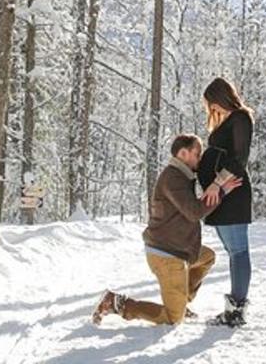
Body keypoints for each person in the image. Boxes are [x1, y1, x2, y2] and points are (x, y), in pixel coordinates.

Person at [92, 133, 241, 326]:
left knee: (207, 257)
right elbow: (194, 212)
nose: (200, 157)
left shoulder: (182, 176)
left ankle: (180, 299)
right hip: (167, 254)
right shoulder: (173, 178)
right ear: (183, 153)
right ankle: (116, 303)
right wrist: (220, 190)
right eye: (197, 153)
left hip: (180, 248)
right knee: (173, 318)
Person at [197, 77, 254, 328]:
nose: (212, 111)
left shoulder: (241, 118)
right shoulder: (228, 122)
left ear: (221, 98)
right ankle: (233, 310)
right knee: (233, 252)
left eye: (212, 105)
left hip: (233, 192)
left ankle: (236, 311)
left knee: (239, 251)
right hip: (223, 195)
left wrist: (217, 183)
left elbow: (239, 158)